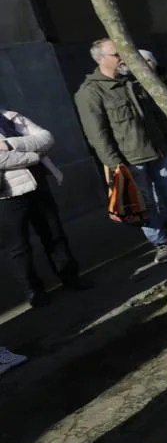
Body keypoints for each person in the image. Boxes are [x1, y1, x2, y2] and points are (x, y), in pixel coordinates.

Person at [74, 38, 167, 263]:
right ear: (100, 59)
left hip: (160, 151)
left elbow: (159, 116)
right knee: (144, 204)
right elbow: (97, 134)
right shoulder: (90, 92)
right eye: (117, 54)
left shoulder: (134, 80)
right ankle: (160, 243)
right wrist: (114, 164)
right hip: (131, 159)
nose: (123, 56)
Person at [0, 108, 82, 305]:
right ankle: (34, 291)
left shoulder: (9, 116)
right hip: (8, 196)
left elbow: (46, 137)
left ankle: (70, 277)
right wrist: (34, 156)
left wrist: (10, 143)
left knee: (55, 234)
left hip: (38, 185)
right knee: (18, 248)